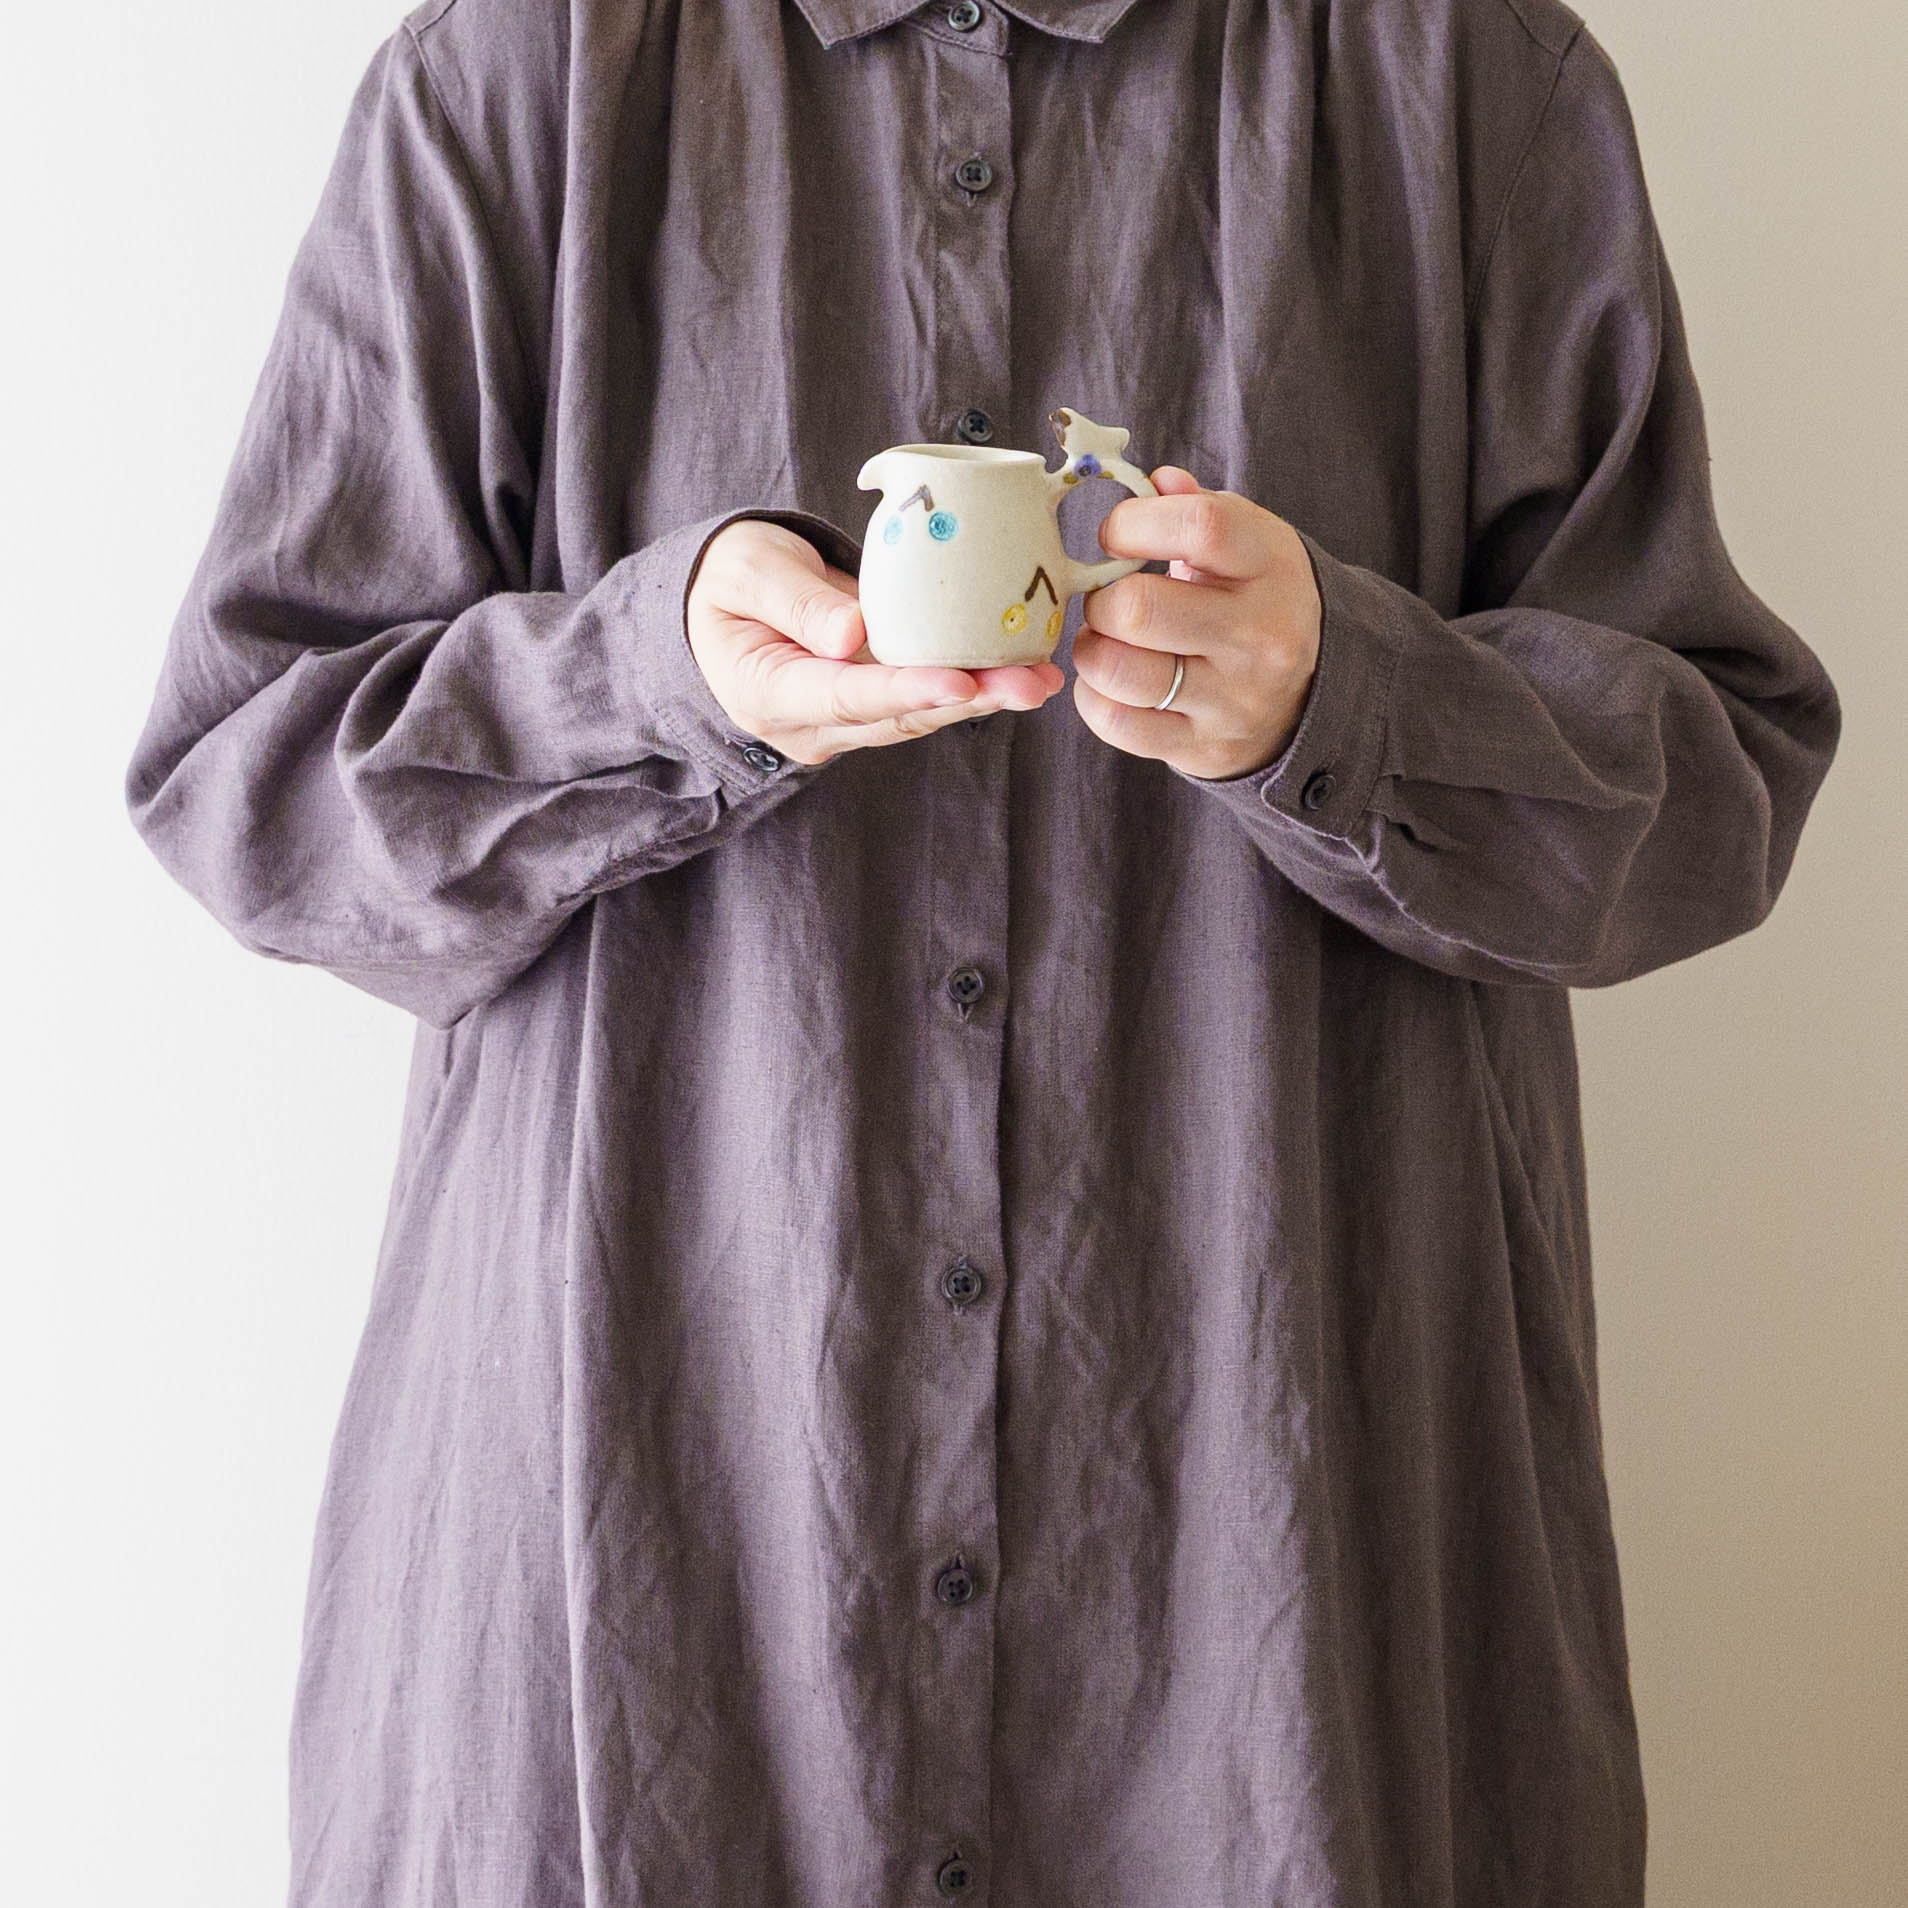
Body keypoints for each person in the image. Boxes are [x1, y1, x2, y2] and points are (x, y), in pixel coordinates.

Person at [124, 0, 1841, 1902]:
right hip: (645, 1579)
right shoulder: (523, 78)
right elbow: (248, 790)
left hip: (1272, 1619)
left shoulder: (1461, 79)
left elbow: (1712, 799)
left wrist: (1346, 698)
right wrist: (650, 679)